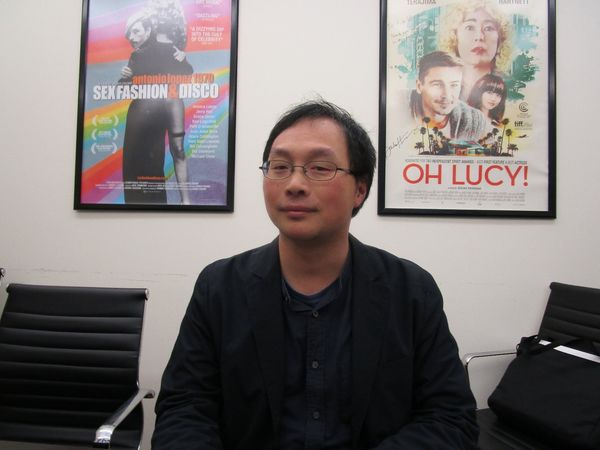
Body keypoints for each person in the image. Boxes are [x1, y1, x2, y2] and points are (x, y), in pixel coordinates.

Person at [152, 99, 478, 450]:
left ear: (360, 189)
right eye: (279, 166)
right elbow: (184, 409)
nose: (294, 183)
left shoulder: (411, 290)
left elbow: (450, 418)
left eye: (320, 168)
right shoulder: (219, 286)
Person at [120, 6, 192, 205]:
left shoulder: (173, 50)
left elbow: (187, 75)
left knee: (177, 150)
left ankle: (185, 200)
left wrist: (184, 61)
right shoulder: (137, 56)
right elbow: (125, 88)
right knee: (141, 157)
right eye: (130, 34)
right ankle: (140, 203)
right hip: (144, 112)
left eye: (136, 32)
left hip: (170, 104)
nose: (132, 38)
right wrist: (126, 78)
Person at [439, 0, 511, 102]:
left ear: (500, 39)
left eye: (488, 28)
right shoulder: (439, 90)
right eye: (470, 27)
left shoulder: (511, 91)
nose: (480, 36)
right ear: (454, 37)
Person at [410, 51, 488, 142]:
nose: (447, 95)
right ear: (419, 86)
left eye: (454, 85)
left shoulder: (475, 120)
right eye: (437, 85)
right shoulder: (397, 111)